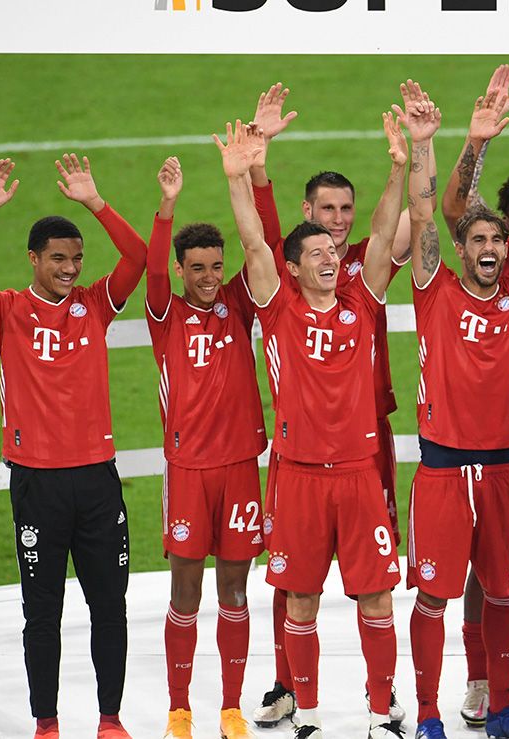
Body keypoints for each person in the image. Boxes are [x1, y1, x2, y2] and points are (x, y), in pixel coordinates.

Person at [0, 155, 147, 739]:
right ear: (33, 259)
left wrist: (96, 203)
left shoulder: (96, 306)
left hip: (97, 480)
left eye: (76, 259)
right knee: (43, 614)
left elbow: (140, 259)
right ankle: (47, 723)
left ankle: (110, 720)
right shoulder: (7, 311)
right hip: (37, 483)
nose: (69, 268)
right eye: (58, 258)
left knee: (110, 606)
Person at [400, 78, 509, 739]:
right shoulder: (433, 289)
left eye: (495, 241)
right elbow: (424, 214)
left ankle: (501, 704)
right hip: (445, 469)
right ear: (462, 247)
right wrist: (430, 145)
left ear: (506, 249)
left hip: (506, 467)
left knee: (504, 592)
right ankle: (426, 711)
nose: (486, 249)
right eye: (475, 239)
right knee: (434, 595)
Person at [219, 113, 407, 739]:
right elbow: (252, 244)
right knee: (299, 600)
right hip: (297, 478)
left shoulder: (360, 301)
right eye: (318, 252)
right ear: (293, 268)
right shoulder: (278, 311)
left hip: (357, 474)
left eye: (333, 250)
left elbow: (381, 238)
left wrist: (401, 168)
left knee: (377, 599)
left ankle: (383, 711)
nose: (332, 255)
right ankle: (310, 713)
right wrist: (239, 179)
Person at [144, 157, 265, 739]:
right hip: (189, 470)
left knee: (235, 591)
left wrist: (251, 176)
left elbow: (261, 242)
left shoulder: (239, 306)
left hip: (241, 466)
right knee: (186, 592)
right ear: (180, 269)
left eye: (217, 267)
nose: (210, 277)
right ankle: (178, 707)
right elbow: (150, 268)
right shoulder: (164, 314)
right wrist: (167, 206)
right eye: (197, 268)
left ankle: (231, 707)